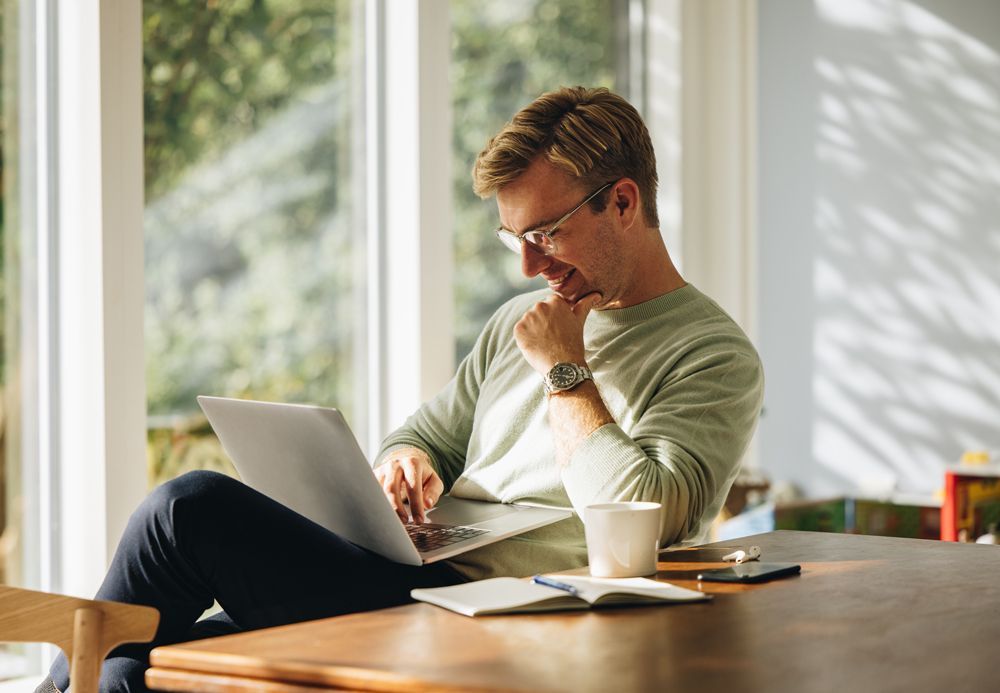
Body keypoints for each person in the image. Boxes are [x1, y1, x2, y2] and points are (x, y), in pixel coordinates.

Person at [39, 86, 762, 693]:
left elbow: (651, 517)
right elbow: (426, 435)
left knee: (187, 507)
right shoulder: (519, 320)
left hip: (499, 612)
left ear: (624, 202)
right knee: (133, 670)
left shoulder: (714, 355)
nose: (527, 267)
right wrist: (404, 461)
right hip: (404, 572)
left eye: (545, 232)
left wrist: (564, 370)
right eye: (516, 240)